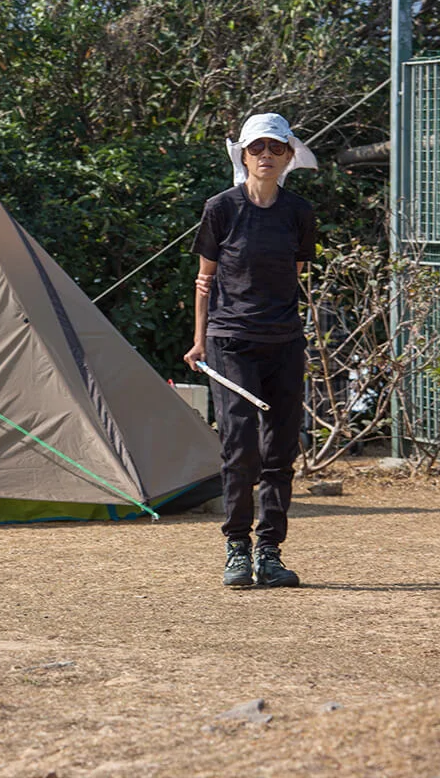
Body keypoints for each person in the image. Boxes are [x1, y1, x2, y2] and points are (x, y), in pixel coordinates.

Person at [183, 112, 317, 588]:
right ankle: (237, 548)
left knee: (280, 450)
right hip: (231, 342)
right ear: (242, 155)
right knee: (240, 446)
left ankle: (270, 552)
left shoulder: (299, 212)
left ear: (289, 156)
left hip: (284, 343)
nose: (266, 156)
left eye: (276, 148)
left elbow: (293, 276)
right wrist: (199, 340)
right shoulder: (221, 208)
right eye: (257, 147)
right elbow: (204, 280)